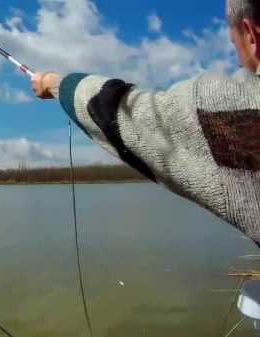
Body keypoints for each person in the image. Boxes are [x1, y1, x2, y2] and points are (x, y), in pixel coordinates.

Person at [31, 0, 260, 243]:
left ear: (252, 35)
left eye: (235, 43)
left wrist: (51, 82)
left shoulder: (233, 110)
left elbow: (117, 111)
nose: (237, 61)